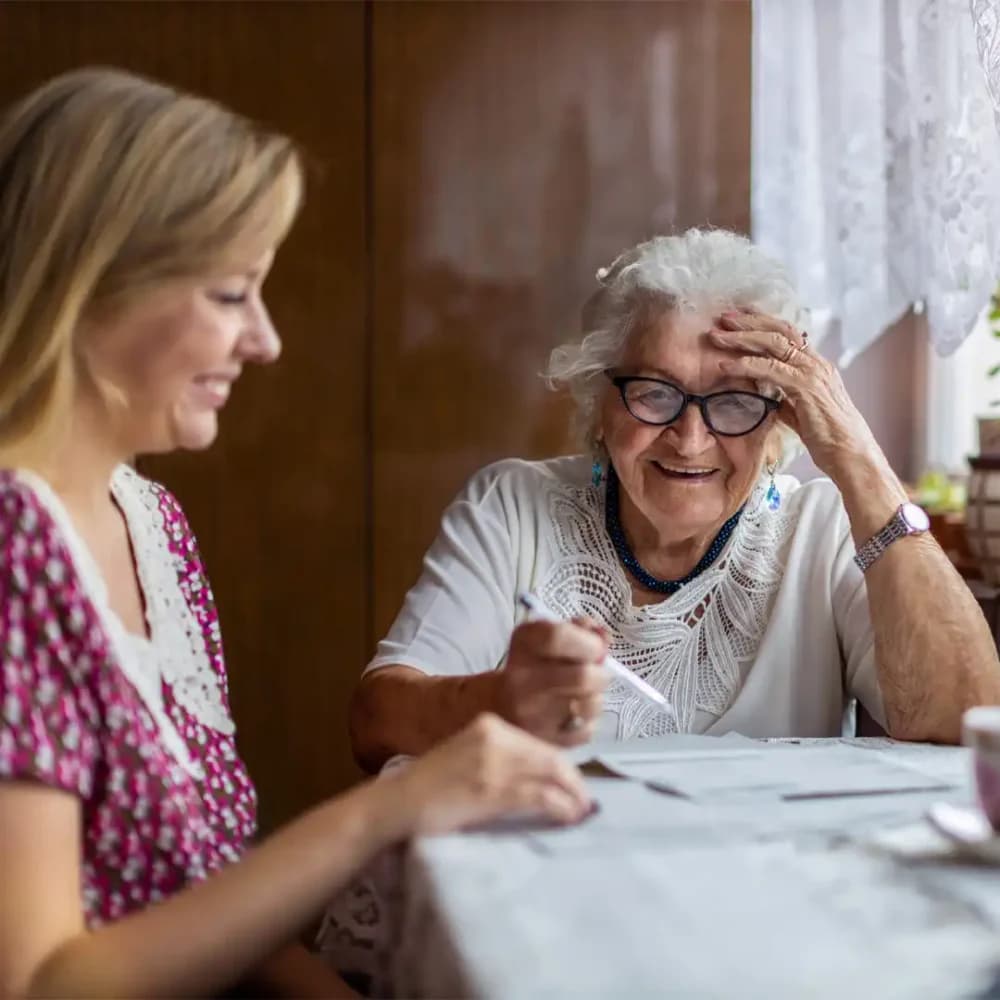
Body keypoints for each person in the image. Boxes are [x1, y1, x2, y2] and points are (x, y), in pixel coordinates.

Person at [0, 68, 593, 999]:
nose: (267, 340)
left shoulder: (151, 524)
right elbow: (42, 982)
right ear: (93, 285)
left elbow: (207, 901)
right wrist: (387, 810)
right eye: (232, 294)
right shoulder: (12, 546)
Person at [350, 228, 1000, 771]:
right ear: (599, 405)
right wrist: (498, 699)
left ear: (780, 424)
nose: (691, 440)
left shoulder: (823, 530)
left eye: (736, 401)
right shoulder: (514, 507)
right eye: (656, 393)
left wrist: (858, 461)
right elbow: (377, 722)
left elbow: (966, 721)